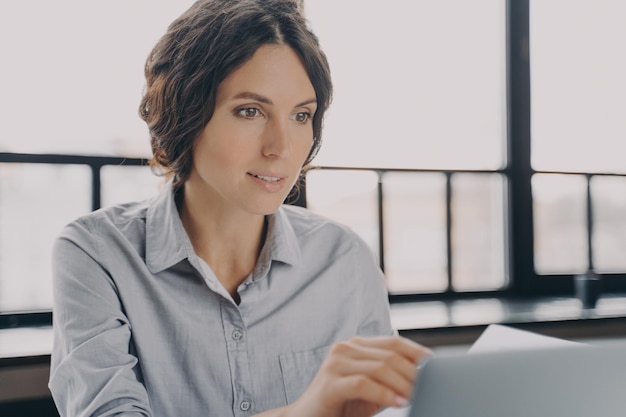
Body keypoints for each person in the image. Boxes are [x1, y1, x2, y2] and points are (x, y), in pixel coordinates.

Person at [48, 1, 431, 416]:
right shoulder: (96, 253)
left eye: (301, 115)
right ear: (185, 114)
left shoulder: (344, 259)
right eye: (250, 111)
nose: (282, 148)